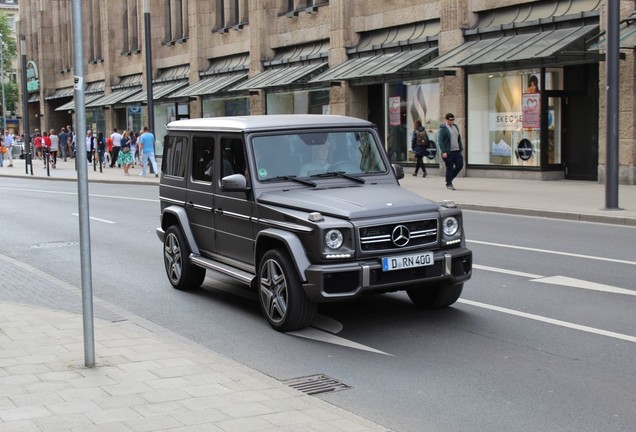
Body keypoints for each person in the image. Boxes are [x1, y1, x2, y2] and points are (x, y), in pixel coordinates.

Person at [438, 113, 464, 190]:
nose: (452, 121)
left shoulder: (455, 127)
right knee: (449, 167)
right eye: (450, 120)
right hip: (448, 152)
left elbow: (458, 138)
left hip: (457, 151)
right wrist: (443, 152)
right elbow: (440, 141)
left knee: (460, 165)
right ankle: (449, 183)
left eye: (453, 119)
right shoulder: (443, 129)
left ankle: (449, 178)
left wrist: (460, 147)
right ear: (446, 120)